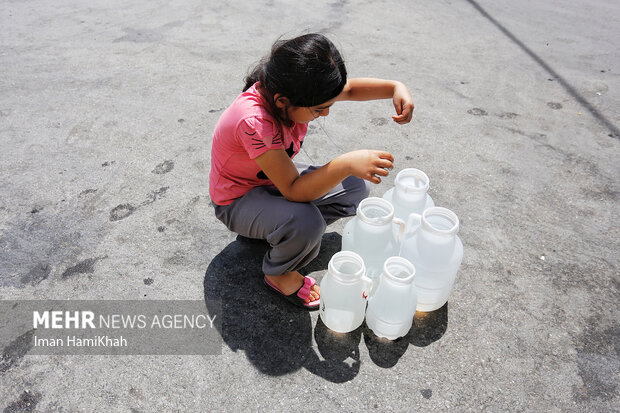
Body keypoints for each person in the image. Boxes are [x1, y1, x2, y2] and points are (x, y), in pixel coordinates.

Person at [209, 33, 414, 310]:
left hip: (272, 183)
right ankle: (278, 272)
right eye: (320, 109)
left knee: (355, 186)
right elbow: (293, 190)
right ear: (283, 101)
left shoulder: (292, 90)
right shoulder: (254, 121)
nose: (326, 114)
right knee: (307, 222)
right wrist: (345, 162)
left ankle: (281, 232)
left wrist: (395, 87)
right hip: (238, 200)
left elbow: (351, 90)